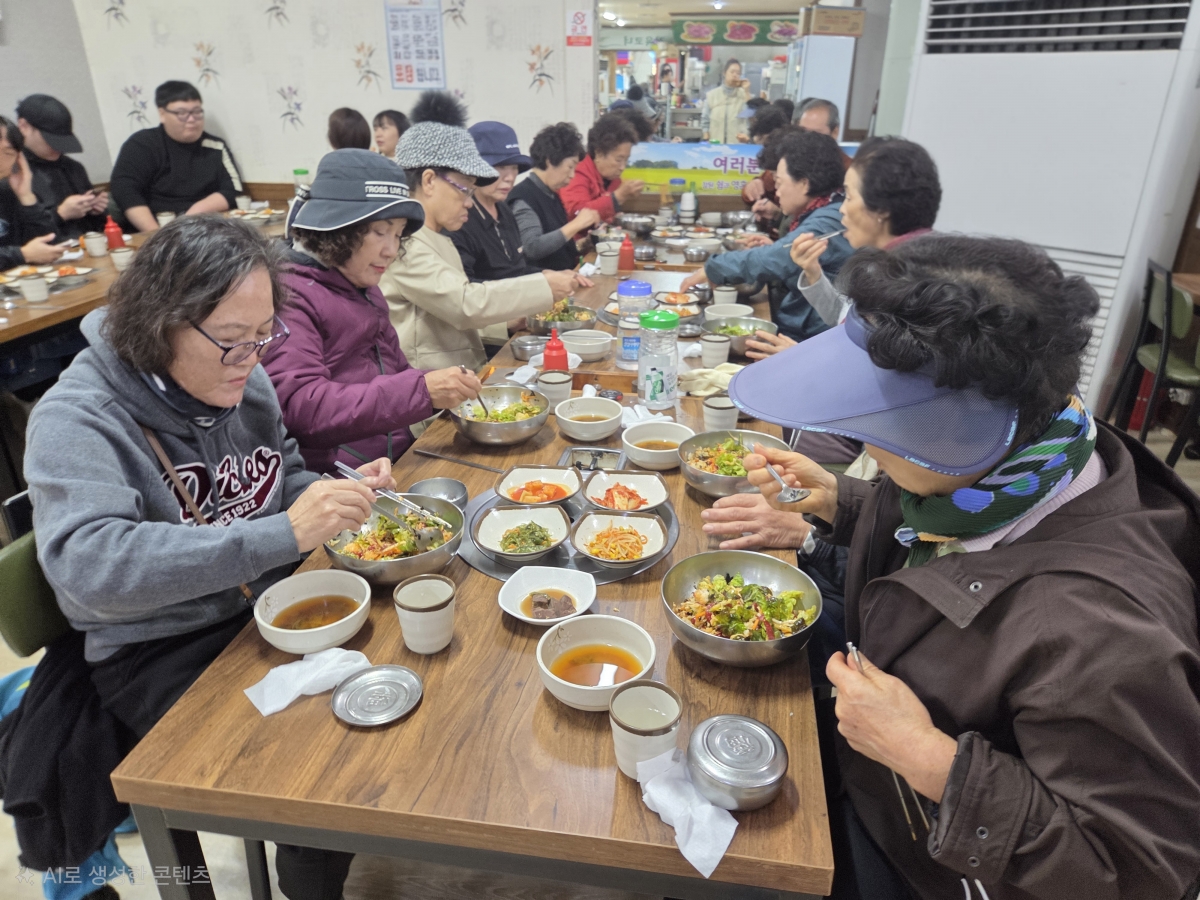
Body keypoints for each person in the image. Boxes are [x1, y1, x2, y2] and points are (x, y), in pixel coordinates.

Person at [727, 234, 1200, 900]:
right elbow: (942, 543)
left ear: (952, 434)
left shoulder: (1100, 632)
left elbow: (1135, 873)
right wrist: (841, 499)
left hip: (925, 863)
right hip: (871, 780)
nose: (865, 445)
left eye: (877, 428)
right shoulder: (1027, 458)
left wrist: (930, 759)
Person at [17, 215, 390, 900]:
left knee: (392, 692)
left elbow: (280, 477)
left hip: (262, 606)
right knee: (315, 781)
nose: (251, 358)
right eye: (232, 339)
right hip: (160, 647)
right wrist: (282, 534)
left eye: (264, 335)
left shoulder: (245, 379)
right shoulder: (77, 418)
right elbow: (90, 567)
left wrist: (332, 497)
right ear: (159, 326)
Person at [264, 149, 480, 474]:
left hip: (393, 461)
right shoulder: (290, 295)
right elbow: (301, 408)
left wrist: (440, 386)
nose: (391, 250)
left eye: (398, 234)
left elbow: (395, 371)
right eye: (380, 232)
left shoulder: (361, 282)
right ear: (338, 228)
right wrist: (423, 390)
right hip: (337, 478)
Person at [380, 91, 576, 369]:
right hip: (429, 384)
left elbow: (445, 316)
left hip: (461, 372)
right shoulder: (406, 245)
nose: (469, 203)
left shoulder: (435, 238)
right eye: (464, 189)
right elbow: (465, 304)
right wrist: (543, 285)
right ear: (429, 181)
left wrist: (504, 324)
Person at [747, 136, 942, 358]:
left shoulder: (915, 287)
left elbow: (879, 371)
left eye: (849, 197)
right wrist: (813, 273)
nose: (841, 209)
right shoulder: (881, 261)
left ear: (881, 209)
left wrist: (802, 358)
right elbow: (845, 318)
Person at [681, 130, 852, 343]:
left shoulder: (828, 219)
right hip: (805, 324)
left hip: (811, 336)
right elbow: (791, 257)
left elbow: (778, 258)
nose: (776, 192)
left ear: (804, 183)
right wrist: (776, 245)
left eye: (779, 182)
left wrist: (712, 268)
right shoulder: (824, 209)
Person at [109, 80, 243, 232]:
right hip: (156, 227)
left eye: (197, 112)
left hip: (204, 226)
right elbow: (125, 190)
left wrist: (193, 214)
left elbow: (233, 190)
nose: (191, 119)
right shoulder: (142, 144)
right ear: (162, 114)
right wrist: (158, 235)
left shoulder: (215, 146)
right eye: (181, 113)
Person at [449, 121, 542, 282]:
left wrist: (547, 276)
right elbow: (466, 288)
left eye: (514, 167)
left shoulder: (504, 209)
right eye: (500, 167)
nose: (510, 177)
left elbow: (516, 270)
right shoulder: (460, 219)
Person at [509, 122, 601, 270]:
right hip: (541, 282)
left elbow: (557, 252)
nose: (572, 175)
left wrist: (583, 244)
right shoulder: (523, 199)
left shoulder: (550, 194)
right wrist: (576, 224)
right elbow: (532, 247)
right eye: (570, 167)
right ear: (550, 160)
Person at [16, 94, 108, 241]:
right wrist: (61, 214)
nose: (58, 147)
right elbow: (13, 237)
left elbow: (99, 228)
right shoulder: (11, 174)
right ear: (23, 127)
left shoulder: (74, 168)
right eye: (50, 139)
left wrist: (95, 211)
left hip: (86, 245)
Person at [0, 115, 61, 268]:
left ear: (18, 159)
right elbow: (27, 253)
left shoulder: (9, 192)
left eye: (8, 153)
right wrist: (22, 254)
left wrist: (26, 197)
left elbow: (49, 245)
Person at [559, 112, 643, 223]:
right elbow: (576, 213)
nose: (623, 167)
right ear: (599, 153)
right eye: (618, 160)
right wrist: (617, 198)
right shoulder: (576, 173)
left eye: (626, 160)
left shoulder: (613, 180)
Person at [701, 59, 750, 143]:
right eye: (732, 72)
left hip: (737, 145)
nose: (735, 75)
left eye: (738, 73)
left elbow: (750, 117)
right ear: (724, 73)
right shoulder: (712, 95)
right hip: (715, 144)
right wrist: (706, 139)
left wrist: (746, 91)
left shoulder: (743, 95)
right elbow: (705, 120)